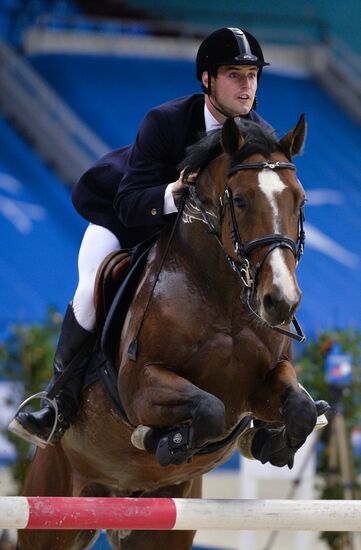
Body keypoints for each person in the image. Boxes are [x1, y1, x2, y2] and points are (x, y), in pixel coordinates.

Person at [9, 27, 328, 448]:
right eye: (234, 74)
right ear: (207, 79)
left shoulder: (259, 134)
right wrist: (173, 195)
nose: (246, 85)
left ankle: (258, 416)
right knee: (90, 291)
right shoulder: (165, 121)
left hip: (195, 239)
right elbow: (128, 201)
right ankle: (57, 402)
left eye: (252, 75)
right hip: (127, 217)